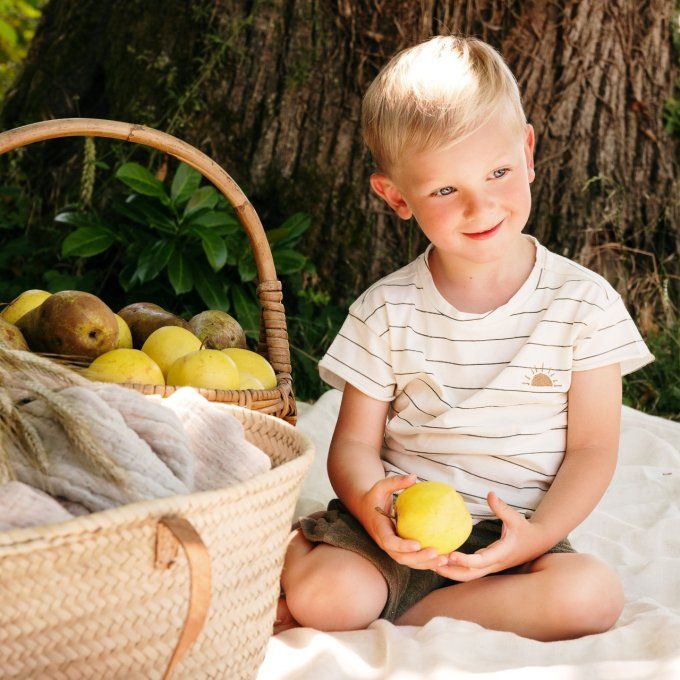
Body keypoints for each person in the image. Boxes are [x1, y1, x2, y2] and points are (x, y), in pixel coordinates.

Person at [274, 34, 655, 641]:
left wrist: (536, 534)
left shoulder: (583, 304)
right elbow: (351, 447)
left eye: (498, 172)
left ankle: (411, 617)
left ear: (527, 153)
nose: (481, 207)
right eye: (445, 190)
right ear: (397, 196)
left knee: (591, 597)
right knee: (331, 597)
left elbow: (592, 450)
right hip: (398, 528)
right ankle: (303, 554)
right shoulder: (387, 309)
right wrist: (374, 507)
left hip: (516, 535)